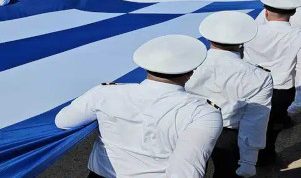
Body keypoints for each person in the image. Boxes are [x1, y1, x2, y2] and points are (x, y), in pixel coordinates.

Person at [54, 35, 223, 178]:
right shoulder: (202, 113)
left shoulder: (104, 93)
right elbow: (185, 171)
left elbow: (64, 121)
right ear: (190, 72)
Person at [186, 11, 273, 178]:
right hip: (228, 134)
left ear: (208, 37)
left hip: (190, 127)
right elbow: (255, 120)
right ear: (243, 41)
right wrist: (248, 161)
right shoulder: (259, 75)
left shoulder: (188, 65)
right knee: (225, 172)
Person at [243, 0, 301, 165]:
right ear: (293, 13)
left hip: (250, 86)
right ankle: (264, 156)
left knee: (247, 124)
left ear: (266, 11)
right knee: (271, 128)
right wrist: (300, 100)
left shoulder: (250, 31)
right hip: (281, 89)